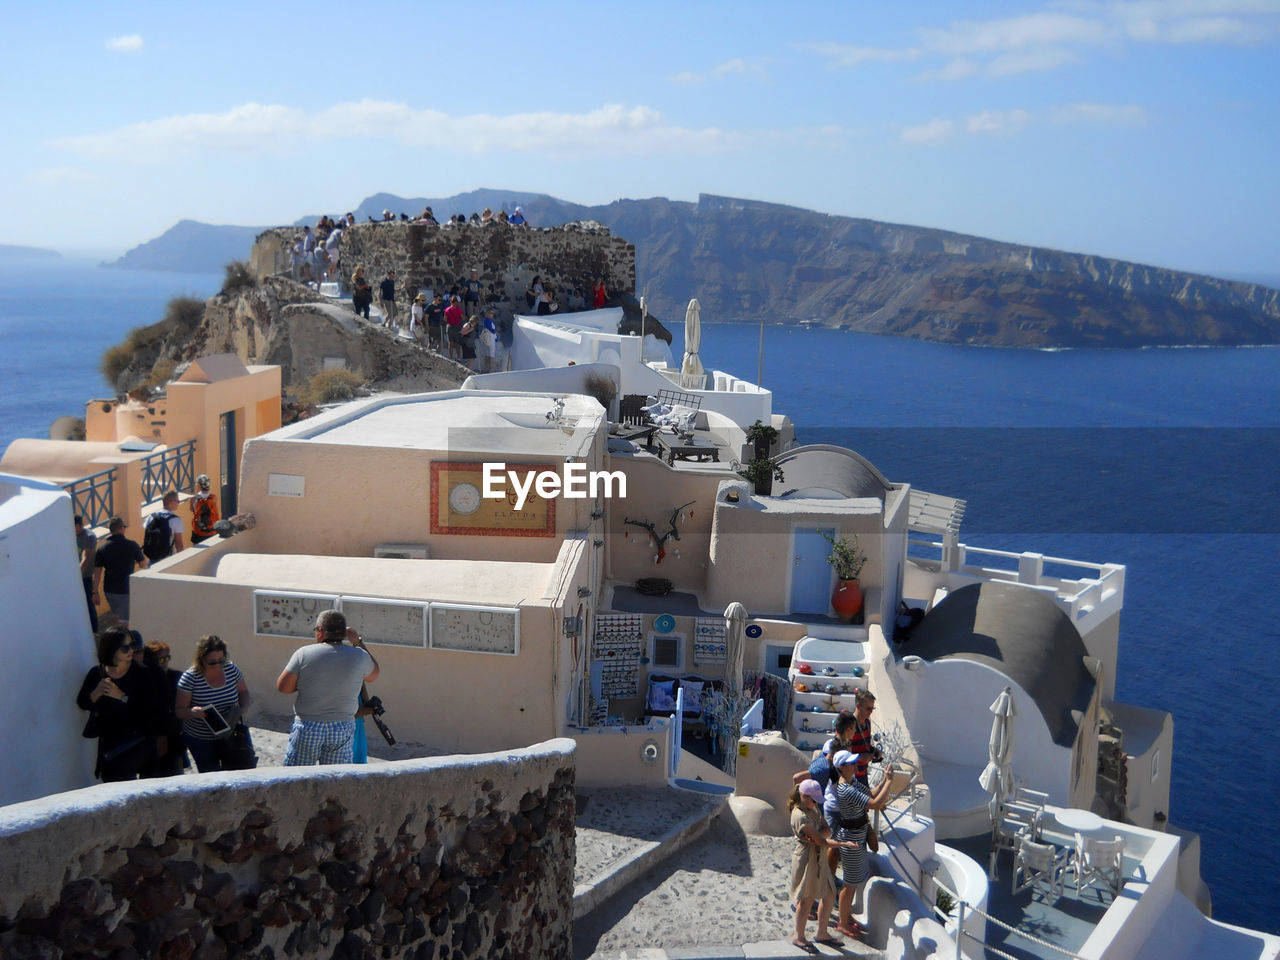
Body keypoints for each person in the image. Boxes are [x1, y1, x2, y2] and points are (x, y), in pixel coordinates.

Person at [276, 610, 379, 765]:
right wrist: (358, 642)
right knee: (335, 778)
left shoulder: (304, 653)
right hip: (342, 726)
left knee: (298, 775)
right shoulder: (359, 656)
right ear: (343, 634)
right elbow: (374, 675)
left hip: (308, 725)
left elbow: (283, 687)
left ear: (320, 631)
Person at [76, 626, 164, 781]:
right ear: (112, 649)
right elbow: (82, 703)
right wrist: (96, 693)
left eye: (132, 645)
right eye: (125, 648)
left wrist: (122, 697)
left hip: (139, 740)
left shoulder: (143, 673)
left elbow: (150, 710)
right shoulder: (97, 674)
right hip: (111, 743)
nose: (131, 650)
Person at [831, 750, 895, 940]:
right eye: (851, 763)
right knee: (849, 884)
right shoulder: (845, 788)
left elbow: (872, 793)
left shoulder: (852, 782)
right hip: (851, 839)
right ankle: (842, 923)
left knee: (853, 882)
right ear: (842, 768)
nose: (855, 764)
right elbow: (874, 803)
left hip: (857, 836)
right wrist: (890, 782)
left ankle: (845, 916)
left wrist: (884, 781)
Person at [176, 635, 254, 772]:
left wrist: (243, 710)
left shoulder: (231, 669)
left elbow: (244, 692)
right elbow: (180, 711)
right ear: (201, 659)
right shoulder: (190, 678)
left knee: (239, 770)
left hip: (230, 732)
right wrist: (193, 712)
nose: (218, 665)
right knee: (210, 775)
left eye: (221, 661)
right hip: (201, 738)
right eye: (212, 662)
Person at [789, 779, 848, 951]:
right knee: (806, 898)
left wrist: (819, 836)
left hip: (818, 857)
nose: (816, 803)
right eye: (814, 799)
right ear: (804, 796)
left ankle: (822, 933)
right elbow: (823, 840)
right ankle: (799, 936)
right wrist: (842, 844)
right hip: (808, 859)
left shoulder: (811, 808)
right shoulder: (800, 815)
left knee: (829, 894)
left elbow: (826, 830)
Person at [93, 516, 148, 626]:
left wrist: (95, 592)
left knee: (116, 615)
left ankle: (115, 636)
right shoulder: (132, 545)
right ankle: (122, 640)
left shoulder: (102, 548)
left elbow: (97, 572)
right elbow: (144, 565)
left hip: (109, 589)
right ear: (122, 528)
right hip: (125, 588)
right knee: (125, 621)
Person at [143, 639, 187, 776]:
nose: (165, 662)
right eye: (160, 660)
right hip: (150, 739)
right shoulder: (144, 679)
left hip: (174, 738)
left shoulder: (176, 677)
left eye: (167, 658)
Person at [142, 490, 185, 562]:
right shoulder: (176, 520)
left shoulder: (151, 516)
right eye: (177, 501)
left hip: (152, 557)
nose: (178, 503)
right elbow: (179, 544)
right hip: (168, 558)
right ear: (171, 502)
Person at [75, 515, 98, 632]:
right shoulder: (70, 536)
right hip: (75, 577)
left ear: (78, 526)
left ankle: (94, 631)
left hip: (85, 577)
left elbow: (87, 558)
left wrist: (77, 577)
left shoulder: (89, 537)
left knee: (89, 605)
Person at [189, 474, 220, 544]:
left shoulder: (193, 499)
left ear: (198, 485)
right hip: (212, 531)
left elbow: (192, 510)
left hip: (198, 532)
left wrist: (196, 493)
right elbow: (217, 513)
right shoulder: (213, 497)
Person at [443, 295, 465, 361]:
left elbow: (445, 319)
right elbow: (463, 318)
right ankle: (458, 357)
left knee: (450, 343)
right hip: (457, 327)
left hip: (449, 327)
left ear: (450, 302)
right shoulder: (458, 310)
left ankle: (451, 357)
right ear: (456, 302)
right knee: (457, 343)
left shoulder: (447, 309)